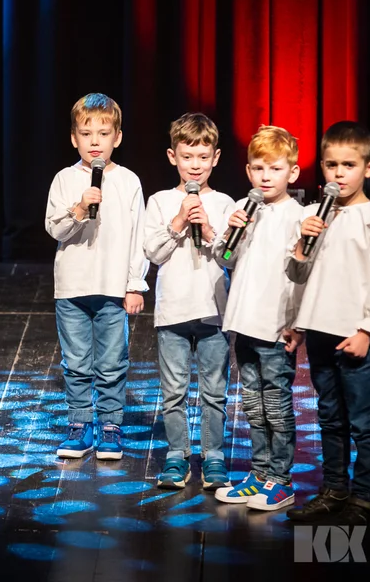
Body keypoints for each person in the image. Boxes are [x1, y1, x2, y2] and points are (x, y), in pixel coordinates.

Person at [285, 121, 370, 526]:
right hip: (318, 330)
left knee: (363, 419)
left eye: (348, 165)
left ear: (368, 168)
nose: (338, 173)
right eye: (331, 165)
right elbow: (299, 277)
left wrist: (367, 329)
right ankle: (333, 489)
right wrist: (301, 244)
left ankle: (363, 498)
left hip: (356, 334)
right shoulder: (316, 215)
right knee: (329, 416)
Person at [45, 93, 148, 460]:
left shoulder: (129, 181)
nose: (94, 141)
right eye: (86, 133)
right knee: (75, 363)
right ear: (74, 138)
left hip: (112, 288)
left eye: (103, 133)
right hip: (72, 288)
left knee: (111, 362)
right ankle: (79, 424)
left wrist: (135, 284)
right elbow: (54, 229)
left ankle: (110, 426)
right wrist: (79, 206)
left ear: (116, 137)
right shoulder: (64, 179)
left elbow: (139, 237)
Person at [212, 125, 304, 510]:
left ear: (292, 173)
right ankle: (260, 473)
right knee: (252, 403)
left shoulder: (300, 216)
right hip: (244, 324)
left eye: (275, 169)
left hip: (276, 327)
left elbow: (303, 275)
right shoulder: (243, 210)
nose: (266, 177)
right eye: (258, 169)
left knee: (277, 405)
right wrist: (231, 235)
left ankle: (281, 480)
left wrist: (297, 325)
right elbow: (225, 259)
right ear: (248, 172)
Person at [143, 113, 235, 490]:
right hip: (173, 312)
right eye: (187, 157)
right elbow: (153, 252)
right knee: (174, 391)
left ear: (215, 158)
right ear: (172, 157)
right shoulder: (161, 201)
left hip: (213, 312)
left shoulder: (227, 202)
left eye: (202, 157)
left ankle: (213, 456)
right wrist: (179, 221)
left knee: (214, 391)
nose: (194, 166)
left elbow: (231, 257)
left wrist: (211, 230)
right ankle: (177, 455)